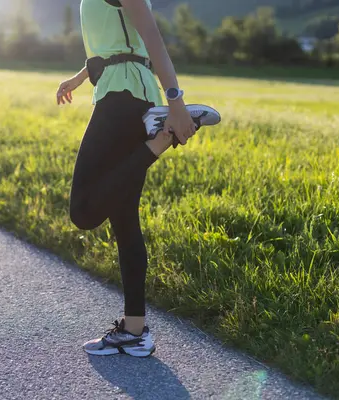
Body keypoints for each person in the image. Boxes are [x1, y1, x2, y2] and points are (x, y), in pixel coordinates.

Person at [56, 0, 221, 357]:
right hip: (129, 95)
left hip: (122, 98)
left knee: (83, 211)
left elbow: (152, 39)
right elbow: (121, 43)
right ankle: (135, 330)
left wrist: (176, 104)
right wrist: (81, 75)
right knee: (125, 220)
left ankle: (160, 140)